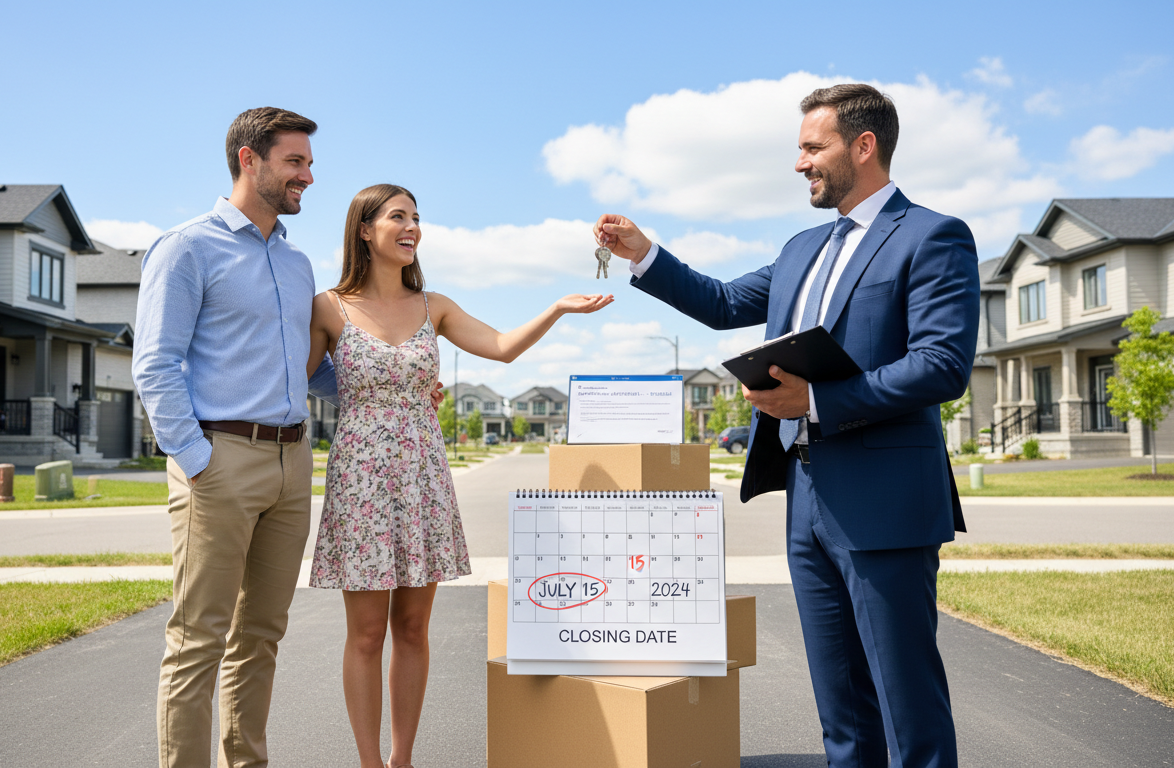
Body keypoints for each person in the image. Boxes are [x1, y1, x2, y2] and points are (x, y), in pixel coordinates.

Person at [595, 84, 977, 768]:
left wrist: (819, 402)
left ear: (864, 146)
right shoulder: (802, 248)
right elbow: (722, 302)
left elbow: (942, 365)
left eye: (812, 147)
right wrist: (643, 252)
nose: (799, 163)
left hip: (887, 500)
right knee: (841, 711)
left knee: (906, 704)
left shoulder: (933, 236)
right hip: (806, 499)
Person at [134, 108, 439, 768]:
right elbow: (154, 364)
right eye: (295, 162)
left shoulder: (296, 265)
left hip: (292, 460)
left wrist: (399, 384)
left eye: (308, 162)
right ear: (250, 160)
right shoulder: (187, 246)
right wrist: (196, 459)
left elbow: (320, 369)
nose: (308, 175)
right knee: (199, 638)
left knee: (262, 636)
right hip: (221, 459)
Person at [306, 183, 612, 768]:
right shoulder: (327, 307)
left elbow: (499, 348)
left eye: (416, 218)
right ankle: (369, 763)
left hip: (424, 476)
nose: (412, 227)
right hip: (361, 483)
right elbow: (294, 380)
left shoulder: (433, 306)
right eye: (398, 217)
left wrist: (556, 308)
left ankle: (402, 760)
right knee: (367, 634)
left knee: (415, 628)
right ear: (365, 229)